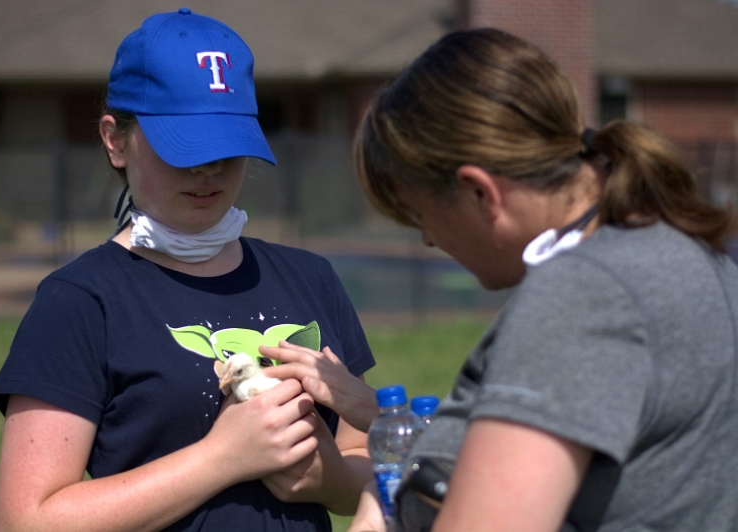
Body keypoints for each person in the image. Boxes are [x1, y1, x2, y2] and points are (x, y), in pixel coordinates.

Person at [263, 28, 738, 532]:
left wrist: (385, 510)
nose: (427, 239)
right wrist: (375, 411)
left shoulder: (584, 300)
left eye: (419, 214)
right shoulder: (682, 252)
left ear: (479, 193)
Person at [0, 9, 375, 532]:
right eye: (183, 146)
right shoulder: (79, 301)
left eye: (226, 145)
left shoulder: (311, 278)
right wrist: (223, 458)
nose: (208, 168)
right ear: (115, 140)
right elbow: (26, 520)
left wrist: (330, 479)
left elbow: (365, 457)